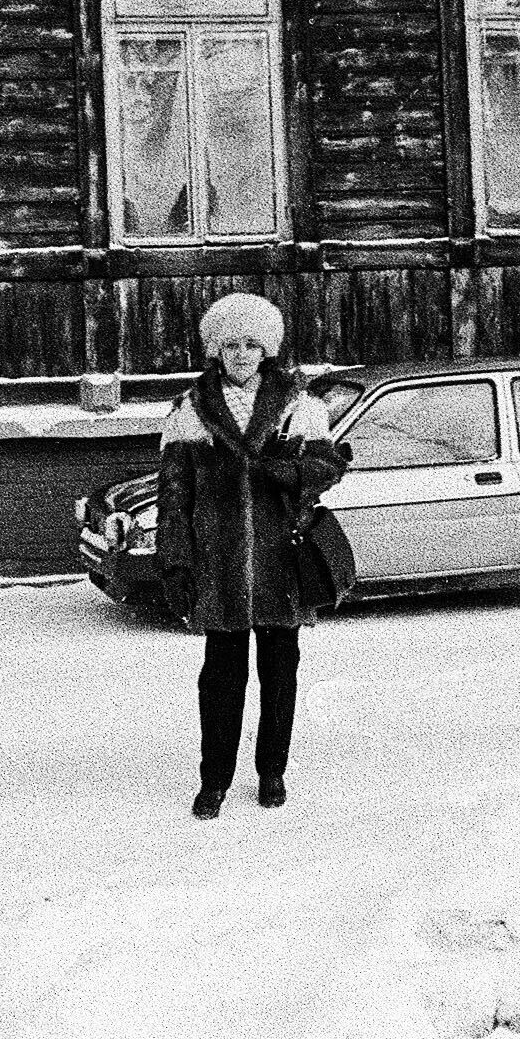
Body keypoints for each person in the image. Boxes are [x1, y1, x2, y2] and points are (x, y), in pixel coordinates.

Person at [153, 291, 351, 819]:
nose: (241, 354)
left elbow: (327, 471)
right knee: (220, 676)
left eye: (251, 344)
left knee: (280, 672)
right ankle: (214, 780)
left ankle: (272, 773)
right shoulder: (191, 412)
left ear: (267, 350)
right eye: (230, 345)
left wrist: (284, 470)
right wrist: (175, 562)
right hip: (218, 569)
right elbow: (173, 497)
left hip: (279, 565)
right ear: (216, 351)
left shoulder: (299, 407)